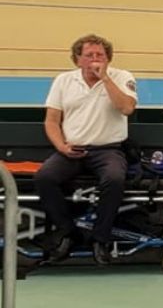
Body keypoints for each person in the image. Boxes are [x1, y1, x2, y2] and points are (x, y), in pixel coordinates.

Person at [34, 34, 137, 266]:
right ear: (77, 59)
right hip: (72, 148)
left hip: (108, 149)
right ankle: (68, 232)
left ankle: (100, 239)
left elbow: (127, 108)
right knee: (44, 177)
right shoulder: (63, 80)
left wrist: (105, 78)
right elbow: (52, 121)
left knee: (114, 179)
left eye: (100, 55)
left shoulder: (122, 77)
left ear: (108, 59)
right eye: (89, 55)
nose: (95, 59)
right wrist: (62, 146)